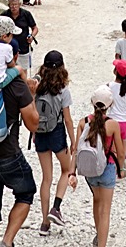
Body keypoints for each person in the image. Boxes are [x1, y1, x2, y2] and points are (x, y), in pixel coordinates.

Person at [0, 22, 41, 247]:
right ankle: (7, 241)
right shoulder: (17, 87)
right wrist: (30, 95)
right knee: (26, 192)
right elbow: (33, 125)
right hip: (8, 155)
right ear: (14, 55)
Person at [76, 86, 126, 247]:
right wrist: (121, 169)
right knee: (105, 210)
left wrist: (72, 172)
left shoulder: (83, 122)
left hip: (90, 170)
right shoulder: (112, 125)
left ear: (92, 102)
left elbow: (75, 149)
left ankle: (99, 235)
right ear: (110, 104)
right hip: (107, 168)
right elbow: (120, 152)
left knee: (96, 201)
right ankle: (102, 244)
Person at [33, 49, 76, 236]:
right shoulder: (63, 90)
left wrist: (34, 132)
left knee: (46, 178)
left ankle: (44, 224)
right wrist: (73, 140)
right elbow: (67, 119)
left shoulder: (36, 87)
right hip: (57, 132)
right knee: (66, 170)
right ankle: (56, 208)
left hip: (40, 134)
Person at [4, 0, 39, 73]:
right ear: (9, 5)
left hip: (23, 47)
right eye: (11, 5)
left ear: (19, 5)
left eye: (16, 4)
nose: (14, 7)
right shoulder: (4, 15)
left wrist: (32, 36)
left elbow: (35, 28)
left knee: (23, 71)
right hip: (8, 49)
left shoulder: (26, 14)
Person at [106, 58, 126, 140]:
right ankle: (124, 153)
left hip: (113, 120)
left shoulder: (109, 86)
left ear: (115, 72)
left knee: (113, 144)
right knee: (123, 140)